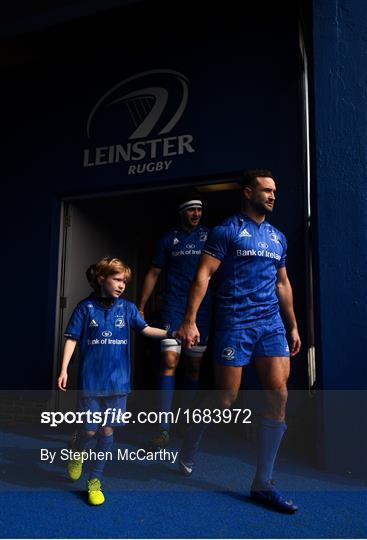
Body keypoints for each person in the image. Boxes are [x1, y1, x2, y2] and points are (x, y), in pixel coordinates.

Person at [176, 170, 301, 513]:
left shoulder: (278, 237)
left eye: (275, 190)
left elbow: (283, 285)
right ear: (248, 192)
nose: (273, 195)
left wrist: (292, 326)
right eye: (266, 190)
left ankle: (263, 483)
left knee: (278, 393)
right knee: (225, 399)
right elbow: (203, 274)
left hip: (270, 324)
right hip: (235, 323)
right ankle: (190, 442)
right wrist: (189, 320)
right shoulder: (226, 230)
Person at [57, 256, 176, 506]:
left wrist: (171, 333)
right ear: (102, 279)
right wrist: (64, 369)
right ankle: (77, 449)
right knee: (89, 429)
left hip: (118, 383)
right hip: (91, 381)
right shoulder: (84, 308)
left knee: (107, 430)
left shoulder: (128, 308)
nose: (122, 285)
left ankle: (95, 480)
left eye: (125, 281)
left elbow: (144, 330)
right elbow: (72, 339)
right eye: (117, 279)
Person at [138, 193, 211, 449]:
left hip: (201, 310)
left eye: (199, 210)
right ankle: (163, 428)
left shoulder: (209, 237)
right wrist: (142, 305)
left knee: (193, 367)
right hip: (173, 308)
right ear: (182, 212)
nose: (196, 214)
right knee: (169, 360)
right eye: (191, 209)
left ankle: (185, 421)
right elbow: (153, 273)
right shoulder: (168, 240)